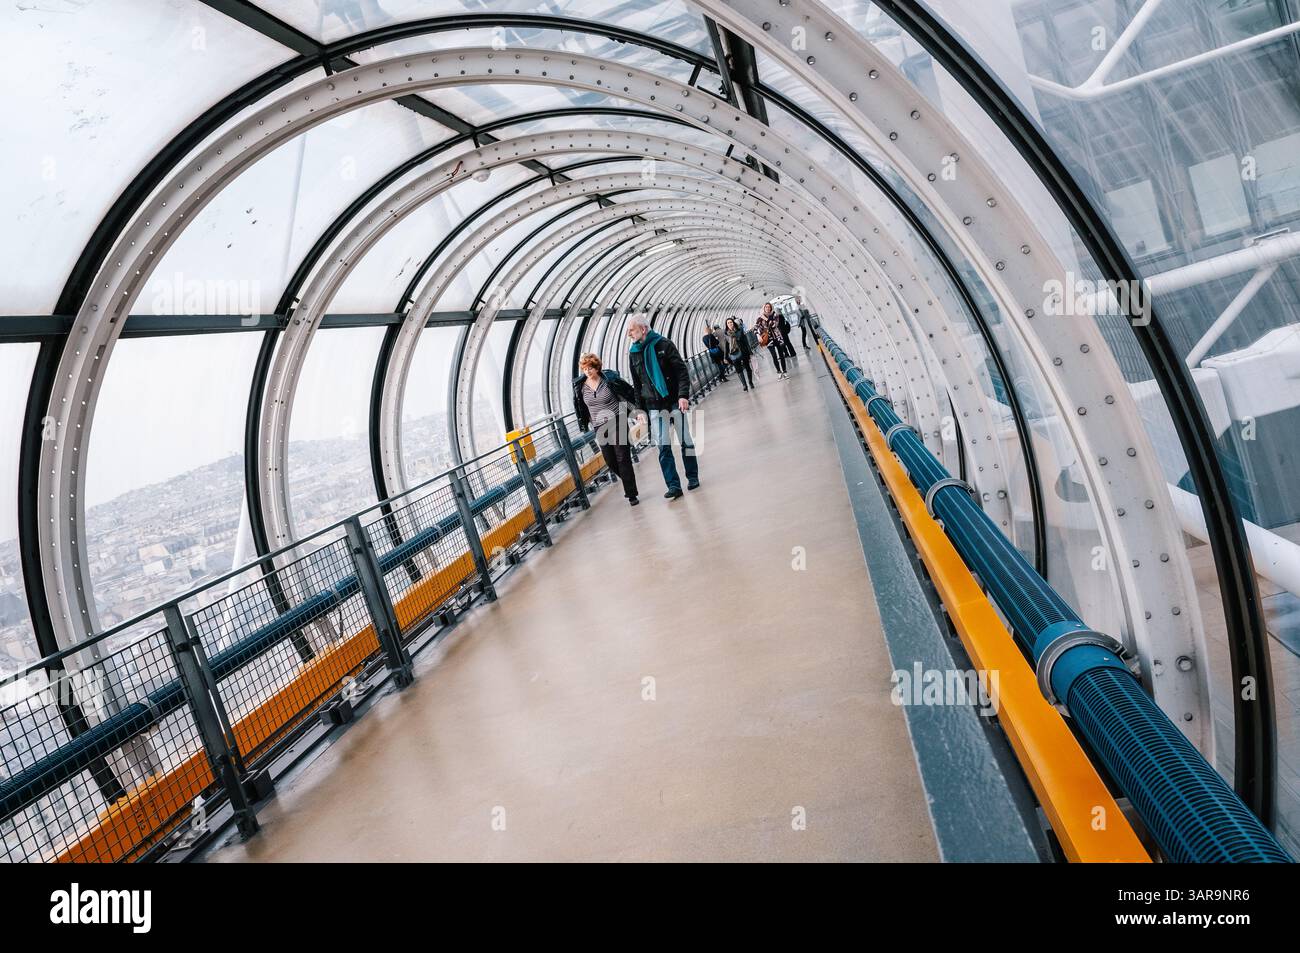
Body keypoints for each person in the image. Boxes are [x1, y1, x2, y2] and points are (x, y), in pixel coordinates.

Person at [626, 315, 699, 499]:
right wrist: (639, 411)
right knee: (663, 447)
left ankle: (692, 477)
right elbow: (637, 385)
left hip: (674, 400)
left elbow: (681, 371)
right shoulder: (633, 353)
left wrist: (683, 396)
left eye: (631, 330)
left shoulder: (664, 345)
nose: (629, 334)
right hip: (653, 406)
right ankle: (674, 485)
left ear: (643, 329)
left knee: (686, 441)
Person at [572, 352, 640, 505]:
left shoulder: (609, 380)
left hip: (617, 420)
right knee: (610, 460)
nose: (588, 371)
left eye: (590, 368)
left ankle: (631, 494)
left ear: (597, 367)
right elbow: (581, 407)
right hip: (599, 426)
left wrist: (636, 412)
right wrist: (586, 421)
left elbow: (625, 396)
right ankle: (628, 478)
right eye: (584, 369)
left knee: (622, 457)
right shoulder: (580, 387)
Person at [755, 302, 790, 379]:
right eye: (766, 307)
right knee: (774, 356)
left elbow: (774, 325)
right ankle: (779, 372)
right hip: (768, 340)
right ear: (764, 308)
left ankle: (785, 371)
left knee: (781, 355)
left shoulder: (775, 315)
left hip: (778, 338)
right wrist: (758, 335)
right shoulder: (760, 319)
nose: (768, 308)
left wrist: (766, 319)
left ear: (771, 308)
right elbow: (756, 328)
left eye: (769, 307)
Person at [724, 316, 754, 391]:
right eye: (728, 323)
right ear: (726, 325)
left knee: (747, 367)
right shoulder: (726, 334)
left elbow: (745, 341)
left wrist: (750, 351)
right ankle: (744, 385)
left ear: (733, 323)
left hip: (743, 351)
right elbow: (726, 346)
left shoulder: (739, 330)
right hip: (734, 354)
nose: (730, 324)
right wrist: (725, 357)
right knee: (739, 370)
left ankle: (750, 382)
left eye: (731, 322)